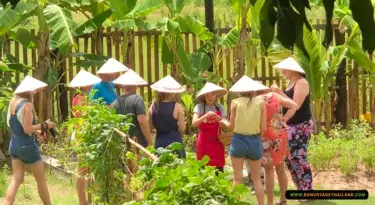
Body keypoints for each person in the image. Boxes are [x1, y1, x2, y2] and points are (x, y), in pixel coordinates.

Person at [5, 76, 54, 205]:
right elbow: (27, 129)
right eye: (34, 90)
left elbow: (18, 125)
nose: (36, 92)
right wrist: (44, 126)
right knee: (41, 180)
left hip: (15, 143)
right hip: (27, 145)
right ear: (28, 90)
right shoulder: (27, 105)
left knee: (16, 179)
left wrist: (37, 131)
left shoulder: (13, 101)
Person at [271, 57, 314, 194]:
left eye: (284, 69)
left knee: (299, 157)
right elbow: (287, 107)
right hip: (290, 125)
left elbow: (295, 105)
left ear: (292, 70)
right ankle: (300, 189)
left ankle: (307, 191)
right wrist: (283, 120)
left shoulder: (302, 83)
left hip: (301, 125)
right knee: (289, 159)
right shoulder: (291, 83)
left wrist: (279, 92)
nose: (282, 71)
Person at [223, 75, 268, 205]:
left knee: (237, 179)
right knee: (257, 180)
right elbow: (263, 127)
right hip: (254, 141)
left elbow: (231, 126)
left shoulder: (235, 103)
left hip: (238, 141)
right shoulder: (261, 103)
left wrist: (223, 122)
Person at [257, 89, 298, 205]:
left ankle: (269, 202)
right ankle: (283, 199)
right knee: (280, 168)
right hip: (280, 133)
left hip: (265, 136)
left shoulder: (256, 100)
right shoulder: (275, 95)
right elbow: (294, 105)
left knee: (268, 169)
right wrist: (284, 119)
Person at [69, 69, 101, 205]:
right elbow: (85, 118)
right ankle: (83, 201)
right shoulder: (83, 100)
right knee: (82, 170)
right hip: (83, 135)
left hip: (79, 133)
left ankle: (86, 200)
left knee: (85, 169)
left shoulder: (77, 97)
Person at [192, 82, 228, 173]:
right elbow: (194, 123)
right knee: (203, 168)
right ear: (204, 96)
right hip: (204, 143)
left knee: (218, 170)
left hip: (217, 142)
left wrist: (220, 120)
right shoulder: (199, 107)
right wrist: (205, 116)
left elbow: (225, 126)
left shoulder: (220, 108)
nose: (210, 97)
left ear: (216, 95)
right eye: (207, 95)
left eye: (213, 94)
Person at [111, 69, 152, 148]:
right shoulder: (137, 99)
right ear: (136, 85)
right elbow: (142, 121)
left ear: (123, 85)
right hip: (138, 143)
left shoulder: (116, 102)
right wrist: (150, 141)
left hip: (123, 143)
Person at [149, 75, 186, 158]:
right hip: (175, 142)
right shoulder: (177, 106)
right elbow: (182, 128)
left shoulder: (152, 106)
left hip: (159, 143)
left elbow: (150, 127)